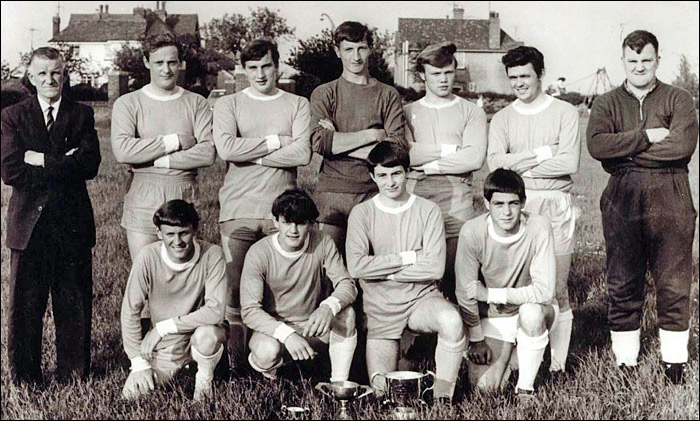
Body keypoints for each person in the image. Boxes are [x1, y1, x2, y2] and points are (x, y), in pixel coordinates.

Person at [586, 30, 698, 384]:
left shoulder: (678, 98)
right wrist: (648, 135)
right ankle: (626, 361)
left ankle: (674, 362)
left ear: (657, 60)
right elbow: (598, 146)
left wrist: (626, 154)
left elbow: (681, 147)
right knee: (622, 279)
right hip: (623, 197)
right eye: (632, 61)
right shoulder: (606, 102)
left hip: (672, 194)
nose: (639, 66)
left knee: (674, 280)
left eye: (646, 60)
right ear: (623, 61)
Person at [1, 47, 101, 383]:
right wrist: (64, 161)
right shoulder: (13, 116)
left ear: (65, 74)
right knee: (25, 307)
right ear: (30, 77)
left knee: (73, 302)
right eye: (42, 73)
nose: (50, 79)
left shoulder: (82, 114)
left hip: (71, 225)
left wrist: (41, 159)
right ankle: (25, 377)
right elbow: (12, 171)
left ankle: (73, 375)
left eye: (56, 72)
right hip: (28, 226)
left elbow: (89, 165)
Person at [213, 39, 312, 364]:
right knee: (235, 292)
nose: (259, 74)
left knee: (275, 291)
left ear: (277, 66)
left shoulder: (297, 104)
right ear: (243, 70)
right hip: (237, 211)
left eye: (266, 66)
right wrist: (274, 142)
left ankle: (270, 357)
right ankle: (236, 364)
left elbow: (302, 152)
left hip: (282, 216)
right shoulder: (229, 104)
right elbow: (227, 149)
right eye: (252, 67)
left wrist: (250, 154)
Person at [346, 142, 466, 402]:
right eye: (382, 175)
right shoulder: (362, 213)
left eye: (396, 173)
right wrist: (409, 257)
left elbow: (435, 267)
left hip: (420, 298)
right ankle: (409, 360)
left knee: (451, 320)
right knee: (383, 395)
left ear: (407, 172)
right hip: (380, 307)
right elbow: (356, 266)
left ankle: (443, 396)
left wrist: (381, 269)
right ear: (372, 176)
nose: (390, 182)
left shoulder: (429, 210)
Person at [487, 45, 580, 376]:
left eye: (525, 76)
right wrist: (543, 153)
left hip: (555, 205)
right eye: (513, 78)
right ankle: (521, 359)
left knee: (556, 286)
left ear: (540, 74)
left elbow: (570, 162)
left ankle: (557, 366)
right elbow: (493, 164)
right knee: (521, 285)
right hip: (517, 207)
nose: (519, 83)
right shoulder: (502, 117)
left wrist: (516, 164)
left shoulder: (565, 112)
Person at [111, 32, 215, 262]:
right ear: (147, 62)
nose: (166, 69)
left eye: (172, 62)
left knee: (183, 274)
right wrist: (176, 141)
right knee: (144, 272)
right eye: (159, 62)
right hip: (143, 194)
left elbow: (207, 153)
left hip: (184, 192)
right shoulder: (128, 103)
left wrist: (156, 159)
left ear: (180, 63)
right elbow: (123, 150)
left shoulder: (196, 102)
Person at [455, 169, 557, 400]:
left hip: (532, 309)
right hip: (494, 317)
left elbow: (544, 292)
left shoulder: (539, 226)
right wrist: (476, 338)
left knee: (531, 313)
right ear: (486, 203)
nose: (507, 212)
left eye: (513, 203)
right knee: (485, 390)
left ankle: (525, 389)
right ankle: (513, 358)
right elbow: (465, 291)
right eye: (498, 204)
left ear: (523, 203)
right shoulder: (472, 231)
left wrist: (491, 294)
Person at [310, 21, 407, 255]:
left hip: (374, 191)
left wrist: (338, 141)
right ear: (337, 51)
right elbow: (318, 142)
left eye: (361, 48)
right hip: (332, 193)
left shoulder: (387, 94)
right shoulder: (325, 93)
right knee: (328, 268)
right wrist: (373, 135)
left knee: (372, 269)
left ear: (370, 49)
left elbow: (397, 149)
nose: (356, 57)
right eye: (348, 49)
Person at [240, 189, 358, 381]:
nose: (293, 230)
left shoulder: (323, 241)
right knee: (267, 351)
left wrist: (328, 307)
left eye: (301, 223)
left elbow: (347, 284)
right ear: (275, 221)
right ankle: (274, 378)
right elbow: (250, 310)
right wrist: (287, 334)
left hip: (313, 325)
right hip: (275, 331)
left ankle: (338, 384)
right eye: (286, 222)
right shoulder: (259, 252)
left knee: (347, 314)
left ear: (311, 223)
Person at [404, 42, 487, 303]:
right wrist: (452, 149)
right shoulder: (408, 112)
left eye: (448, 72)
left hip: (458, 201)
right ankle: (421, 337)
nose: (443, 79)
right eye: (436, 73)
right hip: (416, 196)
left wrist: (428, 164)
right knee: (418, 270)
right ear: (422, 75)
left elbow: (474, 158)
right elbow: (407, 155)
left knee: (457, 275)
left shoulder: (471, 111)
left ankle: (465, 336)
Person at [120, 200, 227, 401]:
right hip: (165, 346)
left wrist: (162, 328)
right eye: (170, 234)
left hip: (199, 337)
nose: (177, 241)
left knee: (208, 335)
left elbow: (215, 310)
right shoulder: (147, 257)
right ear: (159, 233)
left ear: (195, 229)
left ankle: (204, 382)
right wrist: (139, 364)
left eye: (183, 233)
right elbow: (130, 311)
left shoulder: (212, 254)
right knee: (131, 397)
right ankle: (180, 371)